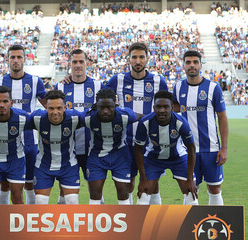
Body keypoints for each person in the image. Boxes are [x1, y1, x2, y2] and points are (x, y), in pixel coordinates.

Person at [106, 42, 169, 204]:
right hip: (125, 142)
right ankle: (131, 221)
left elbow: (167, 110)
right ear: (129, 59)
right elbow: (102, 99)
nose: (138, 61)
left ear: (148, 59)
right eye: (134, 57)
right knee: (129, 183)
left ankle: (155, 221)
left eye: (141, 57)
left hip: (150, 143)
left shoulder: (157, 81)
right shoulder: (117, 80)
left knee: (152, 183)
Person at [0, 45, 46, 205]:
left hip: (29, 141)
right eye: (12, 57)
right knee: (5, 183)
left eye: (19, 57)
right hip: (4, 142)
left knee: (30, 182)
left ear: (24, 59)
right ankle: (3, 218)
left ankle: (30, 217)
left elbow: (49, 105)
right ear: (7, 60)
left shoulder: (35, 81)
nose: (15, 60)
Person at [173, 50, 228, 205]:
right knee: (189, 191)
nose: (192, 65)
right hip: (187, 150)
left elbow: (222, 118)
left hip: (211, 149)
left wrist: (224, 148)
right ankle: (191, 228)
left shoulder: (213, 88)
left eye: (195, 62)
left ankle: (216, 224)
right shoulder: (178, 88)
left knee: (215, 189)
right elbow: (175, 109)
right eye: (188, 62)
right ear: (183, 65)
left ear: (200, 65)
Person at [55, 48, 103, 204]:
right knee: (64, 191)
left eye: (81, 61)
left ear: (86, 63)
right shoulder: (61, 87)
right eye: (74, 61)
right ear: (69, 64)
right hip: (68, 148)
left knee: (96, 191)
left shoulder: (97, 86)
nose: (77, 65)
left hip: (92, 148)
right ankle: (63, 224)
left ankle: (97, 223)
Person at [134, 90, 198, 205]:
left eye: (166, 107)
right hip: (153, 159)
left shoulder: (181, 123)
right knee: (143, 196)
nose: (162, 110)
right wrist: (143, 178)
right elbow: (138, 149)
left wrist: (190, 179)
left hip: (178, 158)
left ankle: (189, 222)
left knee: (191, 196)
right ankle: (153, 222)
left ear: (172, 107)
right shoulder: (145, 122)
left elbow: (191, 148)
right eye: (158, 107)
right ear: (153, 107)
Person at [82, 89, 142, 204]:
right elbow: (70, 121)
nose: (105, 111)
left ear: (116, 105)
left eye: (109, 107)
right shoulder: (87, 117)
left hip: (120, 155)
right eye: (101, 107)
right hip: (96, 156)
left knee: (123, 194)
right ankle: (95, 221)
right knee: (95, 194)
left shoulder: (125, 115)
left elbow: (143, 118)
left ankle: (128, 221)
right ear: (96, 105)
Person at [29, 90, 82, 204]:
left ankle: (61, 209)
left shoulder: (75, 118)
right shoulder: (37, 118)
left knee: (72, 201)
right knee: (40, 202)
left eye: (59, 108)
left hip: (68, 165)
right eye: (51, 108)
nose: (55, 112)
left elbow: (94, 118)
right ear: (45, 107)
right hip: (44, 166)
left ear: (65, 107)